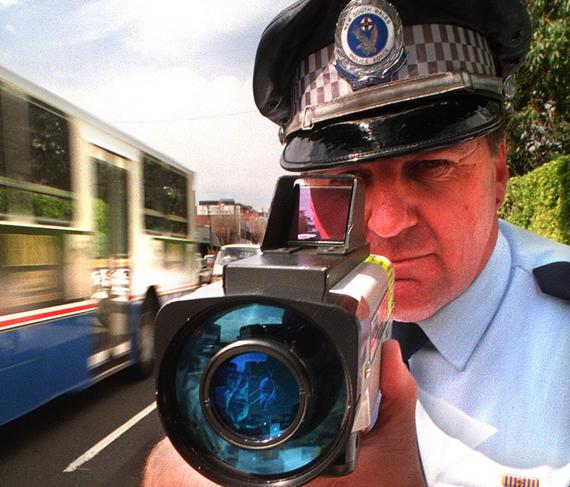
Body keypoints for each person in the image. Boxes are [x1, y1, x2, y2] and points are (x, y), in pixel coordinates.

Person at [143, 0, 570, 485]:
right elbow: (175, 459)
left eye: (432, 167)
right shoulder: (271, 314)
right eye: (346, 181)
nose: (386, 224)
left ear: (497, 175)